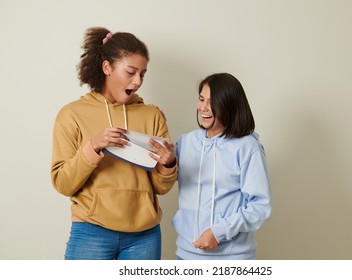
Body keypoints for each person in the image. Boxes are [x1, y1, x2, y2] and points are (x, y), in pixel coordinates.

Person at [51, 27, 177, 260]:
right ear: (107, 67)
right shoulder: (71, 114)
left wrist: (168, 165)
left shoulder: (151, 115)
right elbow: (63, 184)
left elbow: (161, 188)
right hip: (91, 231)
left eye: (142, 74)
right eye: (130, 72)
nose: (138, 81)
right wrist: (93, 147)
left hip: (144, 236)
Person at [172, 73, 272, 260]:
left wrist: (219, 232)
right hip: (185, 256)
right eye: (201, 99)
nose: (203, 108)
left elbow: (260, 206)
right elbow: (160, 177)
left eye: (212, 102)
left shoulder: (247, 147)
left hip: (231, 259)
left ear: (229, 105)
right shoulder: (186, 142)